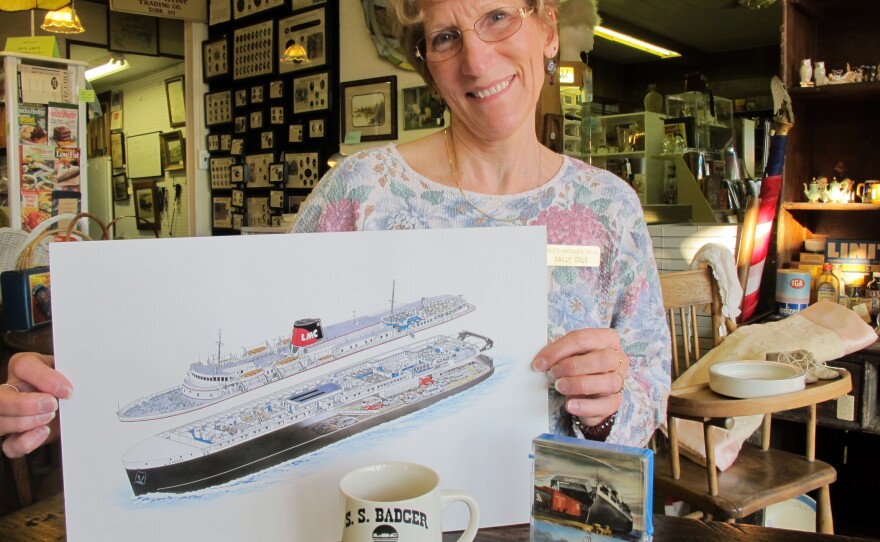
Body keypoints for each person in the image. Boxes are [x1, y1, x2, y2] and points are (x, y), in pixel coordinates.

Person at [0, 0, 670, 459]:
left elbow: (647, 394)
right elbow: (265, 338)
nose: (475, 59)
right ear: (426, 60)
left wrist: (608, 405)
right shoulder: (361, 190)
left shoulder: (609, 207)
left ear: (547, 26)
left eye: (497, 16)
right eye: (445, 36)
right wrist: (78, 391)